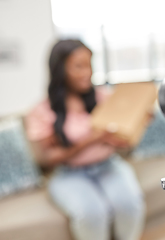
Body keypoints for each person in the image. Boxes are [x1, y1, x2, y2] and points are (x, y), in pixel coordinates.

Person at [25, 40, 145, 240]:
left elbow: (123, 144)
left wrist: (137, 122)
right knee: (91, 214)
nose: (87, 72)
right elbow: (46, 159)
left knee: (130, 205)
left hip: (109, 165)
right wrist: (90, 139)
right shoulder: (41, 111)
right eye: (78, 66)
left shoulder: (103, 98)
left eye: (89, 65)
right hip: (69, 174)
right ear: (60, 70)